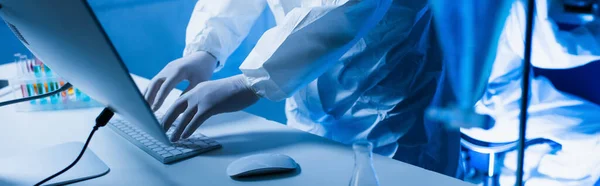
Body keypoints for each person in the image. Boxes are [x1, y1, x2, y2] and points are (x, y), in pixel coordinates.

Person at [145, 0, 459, 177]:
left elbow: (345, 9)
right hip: (306, 103)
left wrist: (247, 83)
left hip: (389, 113)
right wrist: (207, 48)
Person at [462, 0, 600, 184]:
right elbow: (546, 49)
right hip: (493, 112)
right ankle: (511, 175)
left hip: (482, 113)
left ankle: (511, 173)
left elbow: (542, 46)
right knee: (593, 134)